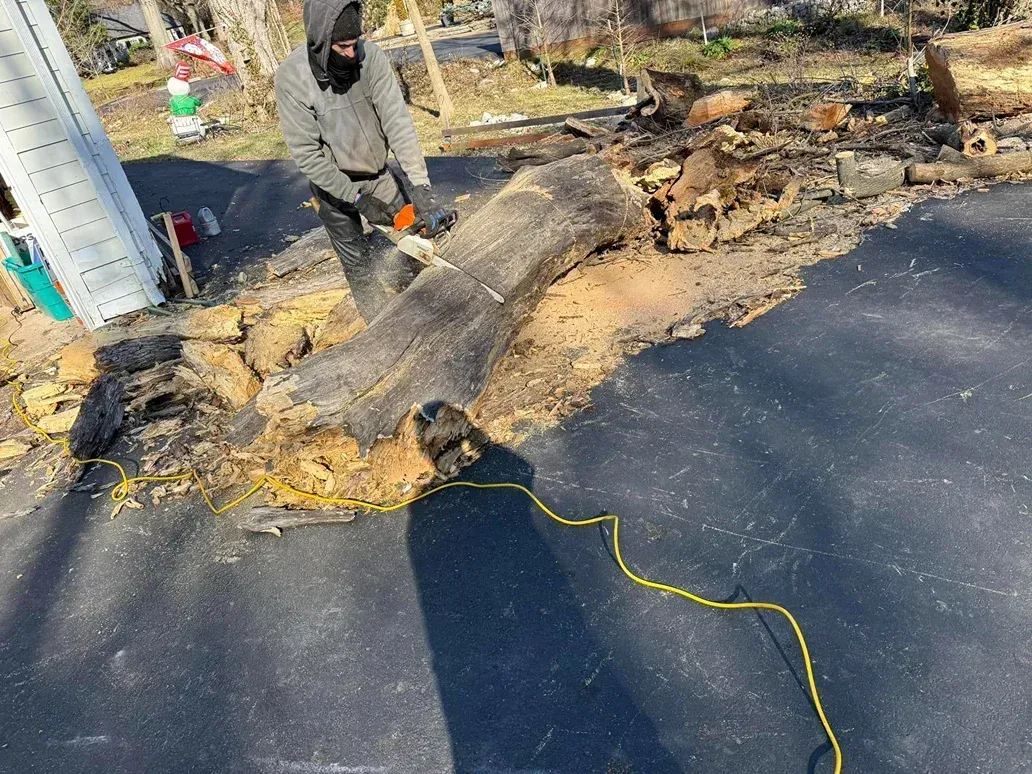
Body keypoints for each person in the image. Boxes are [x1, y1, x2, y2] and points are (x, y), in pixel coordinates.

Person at [275, 0, 445, 322]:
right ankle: (379, 329)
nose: (352, 54)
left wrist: (420, 184)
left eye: (354, 44)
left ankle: (420, 312)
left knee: (412, 239)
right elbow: (307, 155)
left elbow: (397, 122)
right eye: (343, 47)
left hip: (378, 175)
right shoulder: (293, 77)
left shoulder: (371, 59)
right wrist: (354, 197)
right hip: (334, 186)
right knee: (359, 266)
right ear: (322, 44)